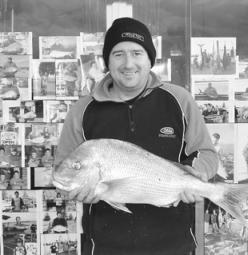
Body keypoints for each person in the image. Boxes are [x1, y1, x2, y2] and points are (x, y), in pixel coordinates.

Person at [54, 17, 218, 255]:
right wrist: (75, 191)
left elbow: (207, 155)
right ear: (107, 61)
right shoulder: (82, 111)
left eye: (137, 53)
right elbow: (63, 168)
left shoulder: (179, 100)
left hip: (174, 244)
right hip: (104, 247)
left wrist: (194, 176)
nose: (128, 63)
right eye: (118, 54)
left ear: (149, 59)